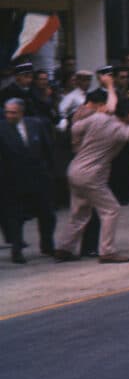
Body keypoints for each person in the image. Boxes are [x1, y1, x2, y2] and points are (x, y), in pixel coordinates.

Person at [56, 79, 129, 263]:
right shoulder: (118, 129)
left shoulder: (98, 117)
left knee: (80, 212)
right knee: (111, 209)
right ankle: (107, 251)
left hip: (75, 169)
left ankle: (64, 248)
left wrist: (77, 145)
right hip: (92, 175)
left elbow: (75, 127)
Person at [1, 97, 56, 263]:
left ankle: (47, 245)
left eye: (13, 112)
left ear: (21, 112)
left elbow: (47, 150)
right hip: (12, 180)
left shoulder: (35, 125)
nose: (9, 115)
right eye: (7, 112)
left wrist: (49, 172)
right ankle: (17, 250)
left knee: (47, 214)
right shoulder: (1, 129)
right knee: (15, 217)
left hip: (38, 177)